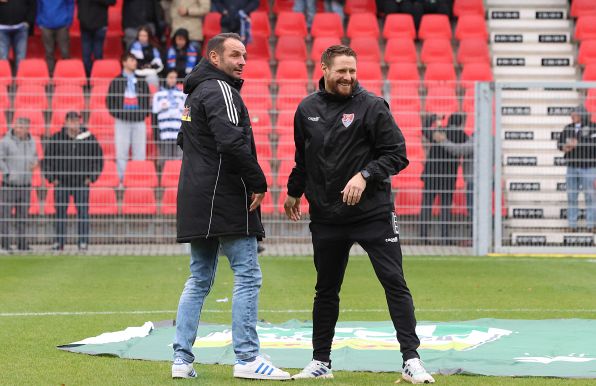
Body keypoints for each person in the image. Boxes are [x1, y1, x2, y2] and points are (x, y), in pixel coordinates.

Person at [283, 45, 434, 384]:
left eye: (352, 71)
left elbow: (397, 155)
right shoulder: (307, 109)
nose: (348, 77)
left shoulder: (373, 106)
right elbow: (302, 159)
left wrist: (364, 175)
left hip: (373, 214)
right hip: (327, 216)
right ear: (324, 68)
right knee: (326, 289)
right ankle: (321, 361)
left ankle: (411, 359)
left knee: (394, 282)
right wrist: (294, 192)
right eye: (341, 71)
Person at [172, 32, 290, 381]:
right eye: (235, 55)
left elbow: (184, 140)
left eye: (244, 56)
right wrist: (257, 181)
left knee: (199, 279)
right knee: (248, 274)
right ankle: (249, 358)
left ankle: (181, 359)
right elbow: (230, 141)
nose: (242, 61)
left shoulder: (194, 94)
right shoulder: (220, 89)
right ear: (214, 57)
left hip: (195, 195)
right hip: (224, 196)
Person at [42, 111, 104, 251]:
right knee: (60, 213)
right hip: (62, 182)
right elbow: (47, 160)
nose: (74, 123)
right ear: (66, 122)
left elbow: (98, 159)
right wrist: (52, 178)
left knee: (83, 212)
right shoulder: (56, 138)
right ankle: (59, 242)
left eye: (76, 121)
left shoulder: (88, 138)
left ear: (79, 122)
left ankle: (83, 242)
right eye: (71, 120)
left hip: (81, 182)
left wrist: (91, 177)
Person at [106, 52, 151, 183]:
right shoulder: (116, 81)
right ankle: (122, 181)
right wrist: (119, 114)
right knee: (121, 153)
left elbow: (146, 98)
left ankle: (138, 181)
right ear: (124, 62)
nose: (134, 62)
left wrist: (143, 114)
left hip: (138, 121)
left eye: (135, 60)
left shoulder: (141, 81)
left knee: (140, 153)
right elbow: (110, 101)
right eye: (131, 60)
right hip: (122, 121)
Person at [0, 117, 38, 252]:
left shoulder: (32, 141)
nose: (19, 129)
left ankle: (22, 244)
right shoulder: (5, 141)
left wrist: (35, 163)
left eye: (22, 127)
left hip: (25, 184)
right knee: (5, 215)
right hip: (9, 185)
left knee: (23, 216)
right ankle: (4, 244)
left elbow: (35, 156)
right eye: (17, 126)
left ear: (28, 129)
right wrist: (7, 173)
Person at [557, 105, 596, 232]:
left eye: (574, 114)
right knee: (572, 196)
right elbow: (560, 144)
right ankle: (572, 225)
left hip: (588, 167)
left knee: (590, 196)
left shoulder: (593, 127)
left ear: (582, 115)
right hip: (572, 167)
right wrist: (566, 147)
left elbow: (592, 146)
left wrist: (577, 143)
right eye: (572, 114)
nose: (572, 116)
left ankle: (591, 225)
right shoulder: (568, 128)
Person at [152, 69, 185, 170]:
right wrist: (156, 134)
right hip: (164, 133)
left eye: (175, 78)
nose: (173, 80)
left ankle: (177, 182)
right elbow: (154, 116)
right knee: (164, 159)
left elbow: (186, 113)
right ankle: (162, 182)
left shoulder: (182, 94)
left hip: (178, 133)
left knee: (179, 159)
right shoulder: (158, 95)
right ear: (165, 78)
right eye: (170, 77)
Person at [77, 0, 116, 77]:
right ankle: (89, 79)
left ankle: (97, 77)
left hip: (100, 24)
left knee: (98, 55)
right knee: (86, 57)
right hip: (85, 25)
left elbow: (112, 2)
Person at [36, 0, 75, 75]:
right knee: (49, 53)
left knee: (65, 52)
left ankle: (66, 75)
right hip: (46, 25)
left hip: (62, 25)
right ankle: (51, 76)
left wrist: (68, 21)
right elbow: (38, 6)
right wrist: (39, 22)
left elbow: (70, 4)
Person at [0, 0, 36, 70]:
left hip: (21, 27)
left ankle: (19, 80)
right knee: (2, 58)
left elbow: (32, 5)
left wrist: (28, 22)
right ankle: (4, 80)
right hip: (2, 28)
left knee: (21, 59)